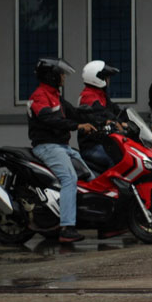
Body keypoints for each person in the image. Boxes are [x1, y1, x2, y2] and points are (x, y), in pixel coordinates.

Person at [27, 58, 96, 243]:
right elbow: (50, 120)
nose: (64, 77)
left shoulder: (55, 95)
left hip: (62, 147)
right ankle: (67, 227)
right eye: (61, 74)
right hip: (47, 146)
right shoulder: (39, 96)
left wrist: (99, 117)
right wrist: (77, 126)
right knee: (69, 178)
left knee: (91, 178)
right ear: (51, 76)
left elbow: (74, 113)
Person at [77, 60, 123, 172]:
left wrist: (127, 119)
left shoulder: (101, 94)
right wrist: (115, 122)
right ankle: (111, 183)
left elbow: (115, 110)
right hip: (91, 146)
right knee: (115, 158)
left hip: (104, 142)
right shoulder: (88, 97)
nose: (108, 80)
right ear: (98, 78)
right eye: (106, 77)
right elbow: (102, 114)